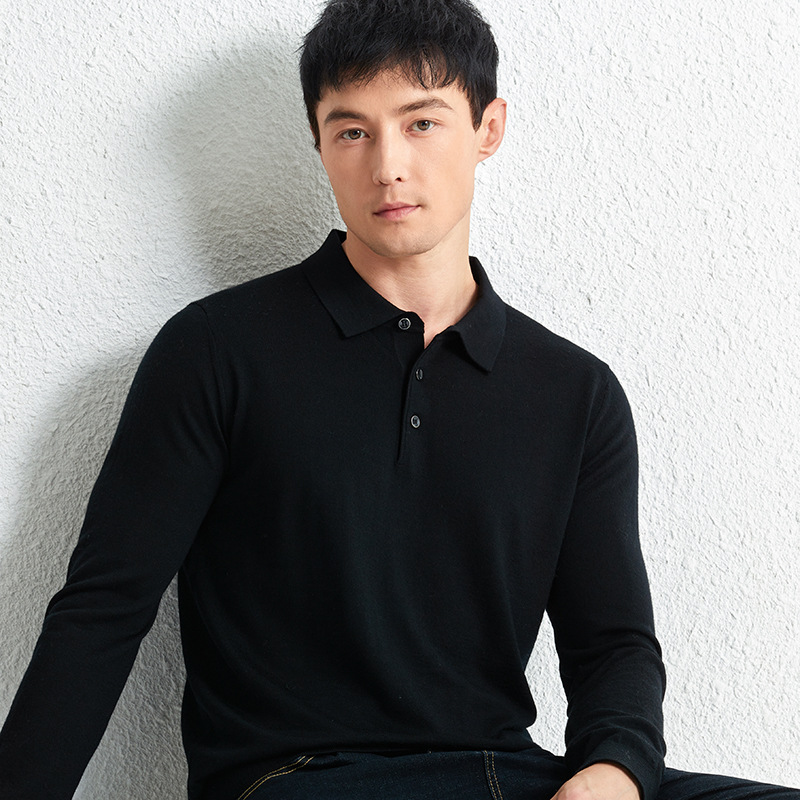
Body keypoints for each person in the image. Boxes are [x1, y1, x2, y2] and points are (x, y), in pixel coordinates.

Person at [0, 1, 797, 799]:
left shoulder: (575, 392)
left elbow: (613, 645)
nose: (388, 165)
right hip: (300, 779)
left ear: (488, 128)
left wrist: (612, 773)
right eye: (352, 131)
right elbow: (104, 610)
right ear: (319, 142)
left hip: (509, 774)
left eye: (421, 124)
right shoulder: (216, 350)